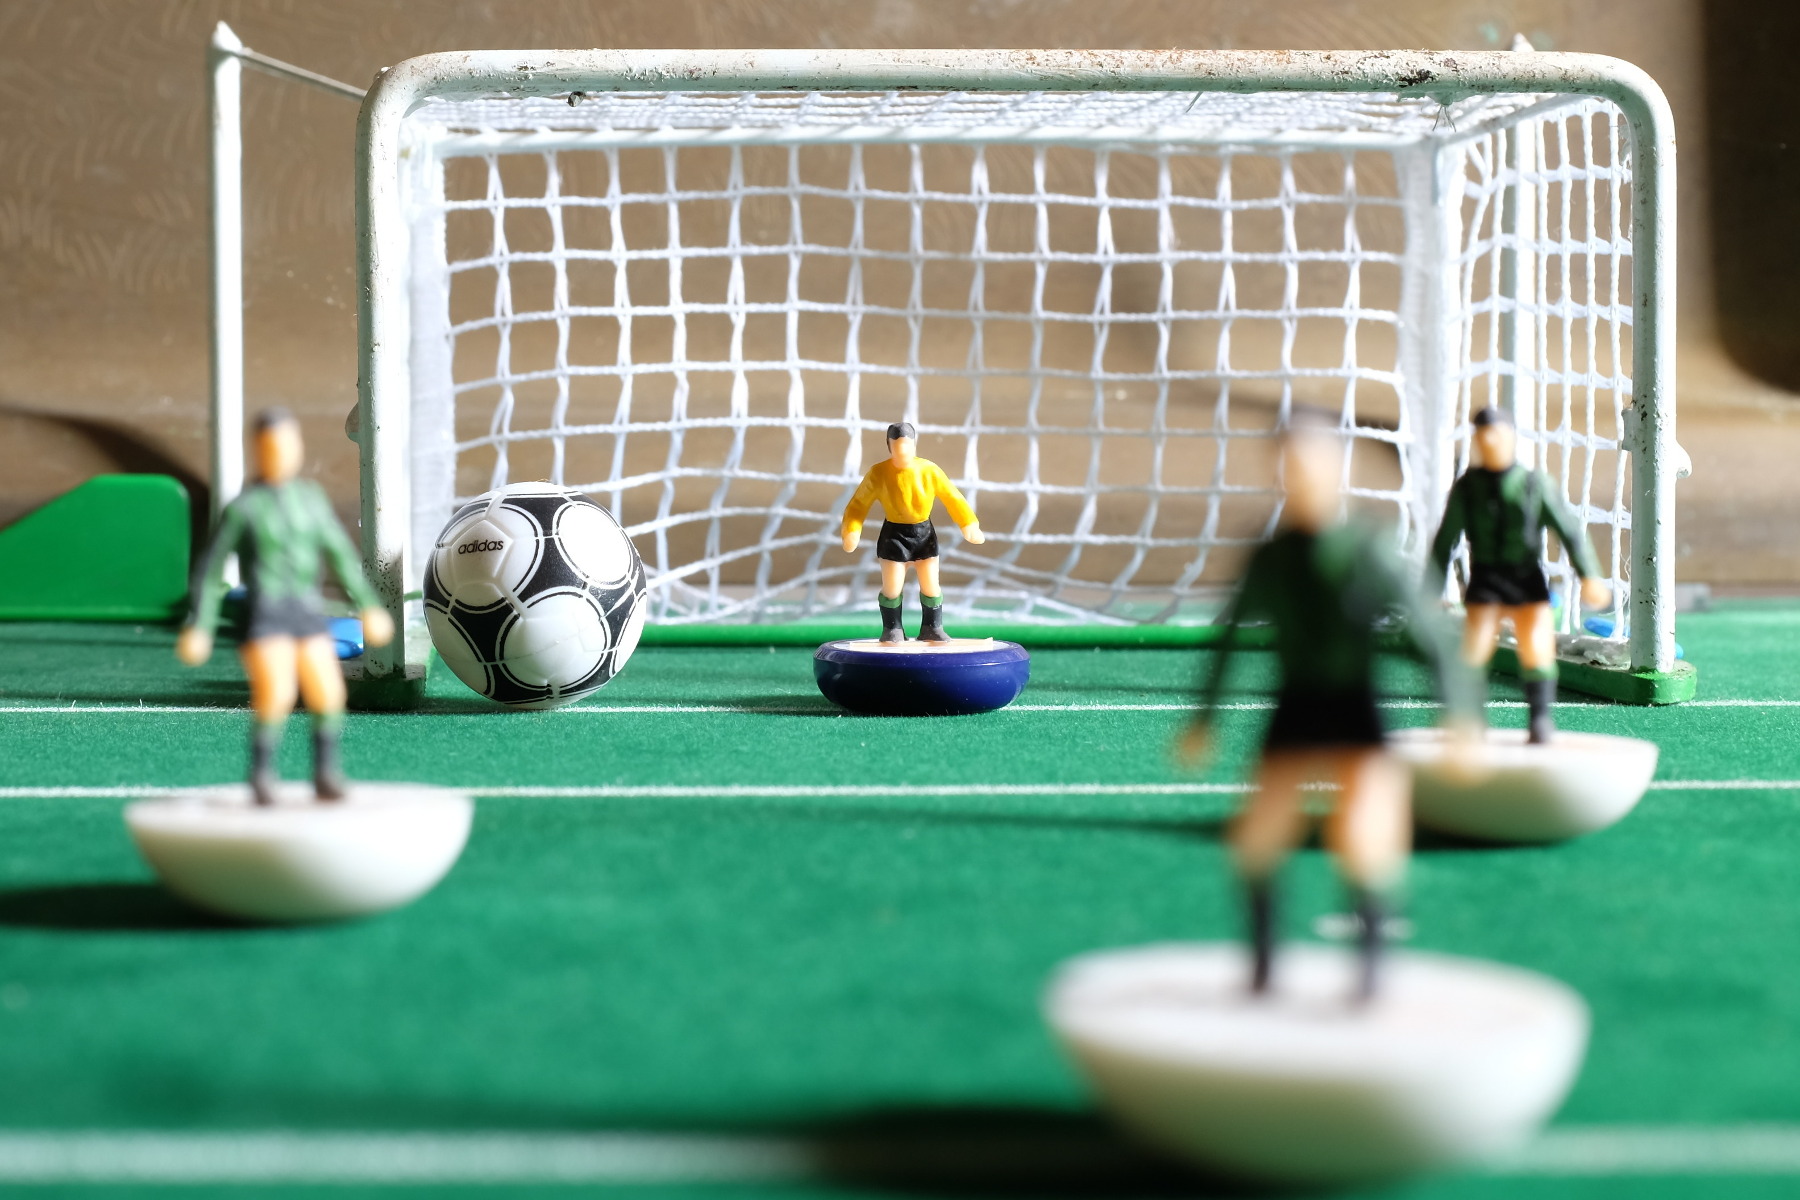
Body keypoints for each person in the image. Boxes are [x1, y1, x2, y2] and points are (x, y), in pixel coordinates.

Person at [1178, 411, 1476, 1002]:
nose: (1301, 478)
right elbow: (1229, 639)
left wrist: (1458, 713)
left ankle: (1370, 967)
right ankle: (1264, 964)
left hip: (1354, 707)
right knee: (1258, 839)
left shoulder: (1367, 548)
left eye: (1311, 466)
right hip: (1296, 706)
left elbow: (1431, 635)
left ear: (1335, 470)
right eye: (1289, 467)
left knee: (1365, 838)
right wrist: (1204, 720)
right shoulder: (1271, 557)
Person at [177, 408, 394, 805]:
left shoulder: (311, 501)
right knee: (276, 693)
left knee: (327, 693)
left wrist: (369, 607)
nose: (279, 454)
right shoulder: (244, 509)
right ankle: (262, 776)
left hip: (306, 611)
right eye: (270, 447)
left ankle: (325, 774)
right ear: (257, 451)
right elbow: (210, 571)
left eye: (286, 445)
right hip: (266, 615)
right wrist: (201, 625)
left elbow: (341, 556)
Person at [1429, 406, 1609, 744]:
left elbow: (1569, 531)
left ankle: (1540, 719)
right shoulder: (1468, 488)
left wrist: (1590, 576)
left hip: (1526, 579)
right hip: (1486, 580)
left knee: (1537, 649)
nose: (1490, 442)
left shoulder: (1533, 484)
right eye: (1483, 436)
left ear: (1511, 437)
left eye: (1497, 434)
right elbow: (1444, 541)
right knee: (1473, 652)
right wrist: (1430, 589)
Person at [841, 422, 985, 643]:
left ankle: (932, 627)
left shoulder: (929, 470)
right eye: (897, 447)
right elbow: (858, 504)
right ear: (889, 447)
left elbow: (953, 497)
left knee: (931, 584)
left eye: (906, 446)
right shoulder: (878, 473)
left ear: (914, 444)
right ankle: (892, 628)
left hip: (924, 534)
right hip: (893, 536)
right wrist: (852, 530)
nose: (902, 452)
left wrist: (969, 524)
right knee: (892, 587)